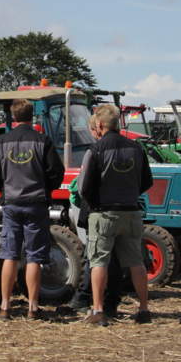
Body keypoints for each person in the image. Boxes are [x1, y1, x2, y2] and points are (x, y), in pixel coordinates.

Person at [0, 99, 64, 320]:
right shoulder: (43, 141)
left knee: (9, 254)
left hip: (11, 203)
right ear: (32, 116)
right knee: (34, 256)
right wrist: (47, 188)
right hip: (36, 203)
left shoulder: (1, 142)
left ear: (13, 117)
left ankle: (5, 306)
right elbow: (56, 172)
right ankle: (33, 307)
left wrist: (1, 188)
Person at [76, 103, 154, 326]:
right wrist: (129, 194)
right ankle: (144, 309)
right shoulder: (136, 148)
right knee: (136, 262)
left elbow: (83, 186)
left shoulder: (96, 150)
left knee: (99, 261)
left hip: (104, 213)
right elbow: (147, 181)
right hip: (131, 212)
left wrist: (96, 202)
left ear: (100, 124)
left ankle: (98, 310)